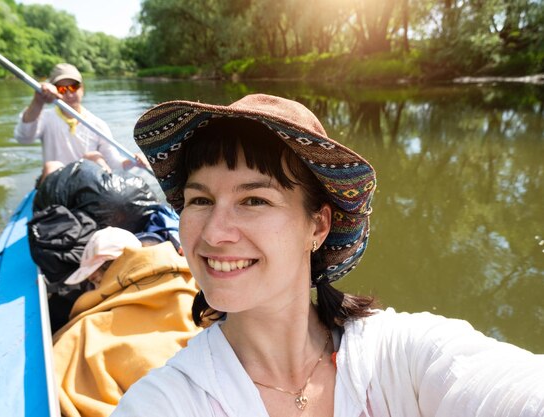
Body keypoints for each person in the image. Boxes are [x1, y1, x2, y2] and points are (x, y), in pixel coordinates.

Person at [110, 94, 544, 417]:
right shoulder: (167, 402)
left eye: (254, 201)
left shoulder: (401, 358)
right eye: (199, 201)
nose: (214, 233)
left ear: (317, 226)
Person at [53, 227, 200, 417]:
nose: (92, 289)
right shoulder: (193, 280)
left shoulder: (85, 329)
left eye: (94, 281)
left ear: (103, 274)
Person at [13, 63, 134, 173]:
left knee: (94, 157)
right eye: (62, 89)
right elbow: (23, 138)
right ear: (54, 90)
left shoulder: (97, 124)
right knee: (52, 166)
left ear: (82, 88)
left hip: (87, 184)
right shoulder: (44, 118)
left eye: (73, 87)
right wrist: (38, 101)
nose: (69, 94)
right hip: (56, 184)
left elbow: (114, 163)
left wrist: (137, 161)